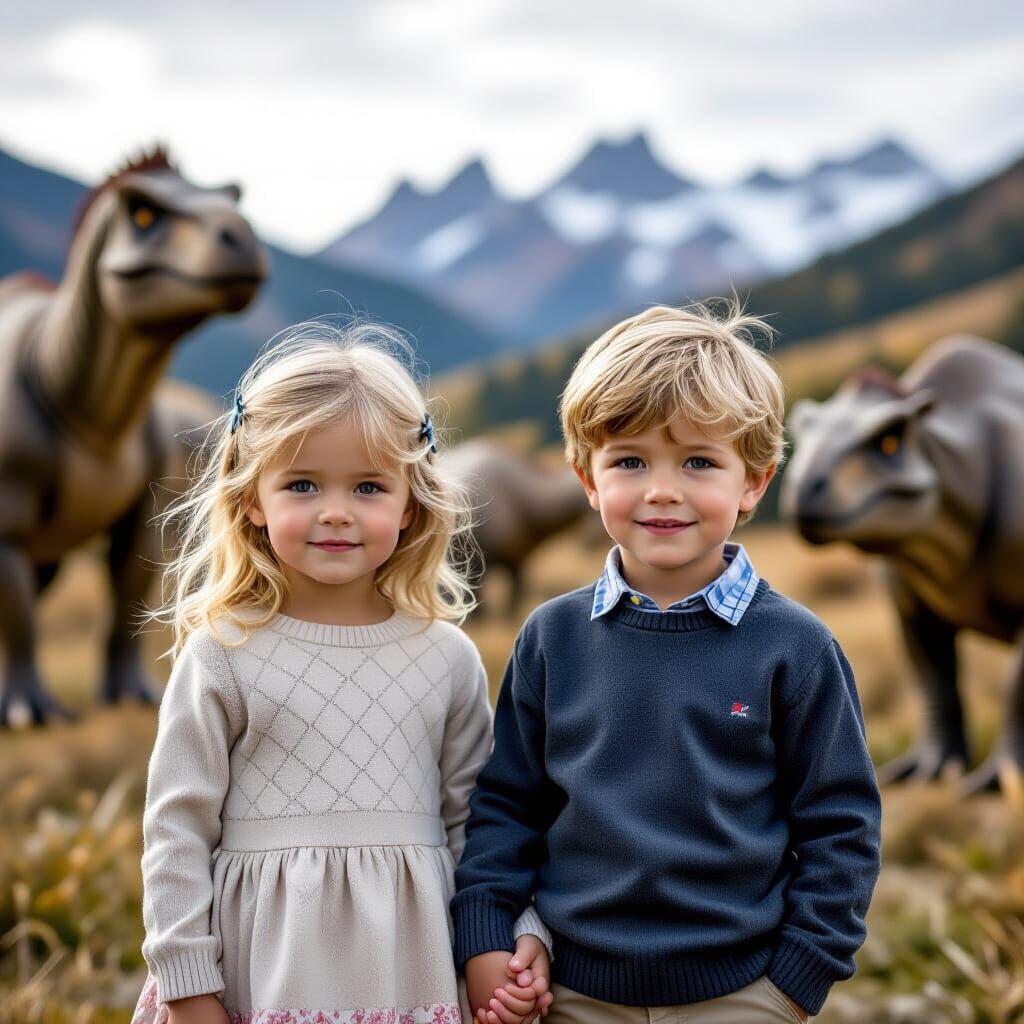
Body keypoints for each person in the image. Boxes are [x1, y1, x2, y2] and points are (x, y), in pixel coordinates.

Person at [452, 303, 882, 1023]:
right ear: (587, 479)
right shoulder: (550, 638)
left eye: (698, 462)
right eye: (629, 461)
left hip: (743, 994)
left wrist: (795, 982)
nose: (661, 489)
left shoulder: (797, 649)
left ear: (753, 482)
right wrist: (488, 935)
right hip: (571, 992)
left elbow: (841, 827)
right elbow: (505, 810)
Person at [131, 323, 553, 1024]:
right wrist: (187, 985)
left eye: (367, 486)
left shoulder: (445, 658)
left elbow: (480, 827)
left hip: (408, 966)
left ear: (410, 501)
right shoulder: (222, 655)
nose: (336, 512)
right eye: (301, 484)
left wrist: (514, 934)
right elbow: (175, 830)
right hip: (261, 971)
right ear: (252, 500)